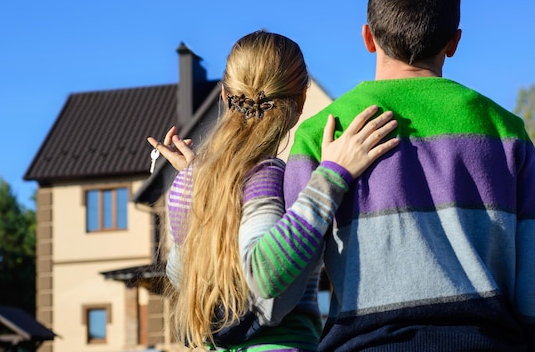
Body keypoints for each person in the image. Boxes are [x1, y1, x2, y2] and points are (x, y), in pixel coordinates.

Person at [284, 0, 535, 351]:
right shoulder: (507, 132)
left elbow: (290, 278)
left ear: (368, 37)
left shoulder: (322, 133)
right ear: (453, 42)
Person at [148, 30, 399, 351]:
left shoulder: (188, 183)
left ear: (224, 96)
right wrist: (333, 175)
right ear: (301, 101)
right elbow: (265, 273)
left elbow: (181, 276)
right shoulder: (266, 175)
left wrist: (209, 181)